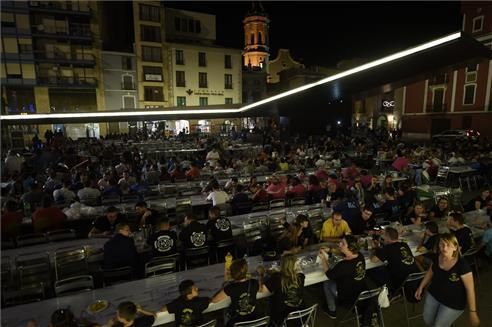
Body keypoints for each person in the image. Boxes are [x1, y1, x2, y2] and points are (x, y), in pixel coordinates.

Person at [414, 233, 480, 327]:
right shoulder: (438, 257)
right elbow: (430, 271)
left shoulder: (462, 265)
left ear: (455, 247)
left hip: (454, 302)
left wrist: (472, 311)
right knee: (427, 320)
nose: (444, 248)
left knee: (438, 325)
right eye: (441, 244)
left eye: (448, 245)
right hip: (434, 294)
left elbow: (470, 289)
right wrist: (421, 287)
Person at [318, 235, 368, 321]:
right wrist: (330, 250)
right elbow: (345, 254)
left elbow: (329, 275)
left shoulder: (344, 265)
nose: (339, 244)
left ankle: (332, 310)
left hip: (348, 296)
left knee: (327, 283)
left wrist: (323, 259)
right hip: (360, 291)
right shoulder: (359, 255)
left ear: (351, 248)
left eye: (343, 244)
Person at [211, 258, 265, 326]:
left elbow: (214, 300)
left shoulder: (230, 288)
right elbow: (261, 290)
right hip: (254, 320)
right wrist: (261, 275)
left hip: (237, 322)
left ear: (232, 274)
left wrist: (224, 287)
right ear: (246, 271)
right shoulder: (253, 282)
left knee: (225, 311)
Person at [261, 253, 305, 326]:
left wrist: (261, 275)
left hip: (282, 318)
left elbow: (262, 290)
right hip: (300, 316)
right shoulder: (301, 277)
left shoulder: (277, 278)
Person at [371, 227, 419, 292]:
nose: (383, 237)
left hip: (400, 281)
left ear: (387, 237)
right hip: (415, 278)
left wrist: (374, 248)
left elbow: (373, 260)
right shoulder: (404, 244)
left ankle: (386, 292)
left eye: (384, 236)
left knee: (374, 271)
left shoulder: (387, 248)